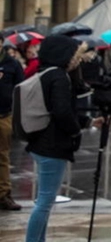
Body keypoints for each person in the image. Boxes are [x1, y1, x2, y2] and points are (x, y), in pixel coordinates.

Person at [21, 35, 86, 242]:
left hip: (41, 142)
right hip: (53, 144)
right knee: (45, 202)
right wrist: (76, 130)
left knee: (44, 200)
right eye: (74, 55)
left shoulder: (47, 73)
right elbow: (62, 111)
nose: (77, 60)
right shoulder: (59, 77)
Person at [0, 42, 24, 211]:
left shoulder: (11, 63)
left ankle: (4, 194)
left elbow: (20, 88)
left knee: (3, 157)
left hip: (4, 115)